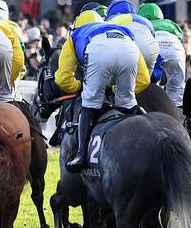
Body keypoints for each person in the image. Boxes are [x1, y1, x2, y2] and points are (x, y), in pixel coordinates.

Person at [55, 9, 149, 172]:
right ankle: (152, 128)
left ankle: (81, 156)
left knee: (89, 105)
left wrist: (79, 86)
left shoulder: (75, 35)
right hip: (129, 47)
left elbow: (62, 79)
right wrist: (116, 89)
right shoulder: (115, 28)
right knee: (128, 104)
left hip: (98, 51)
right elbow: (144, 80)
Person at [137, 1, 187, 105]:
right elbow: (181, 39)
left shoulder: (141, 23)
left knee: (149, 85)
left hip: (153, 46)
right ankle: (179, 114)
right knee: (176, 89)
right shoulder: (171, 24)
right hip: (175, 48)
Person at [106, 0, 162, 84]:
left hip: (125, 51)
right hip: (148, 49)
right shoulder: (143, 20)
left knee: (115, 87)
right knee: (146, 84)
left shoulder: (109, 21)